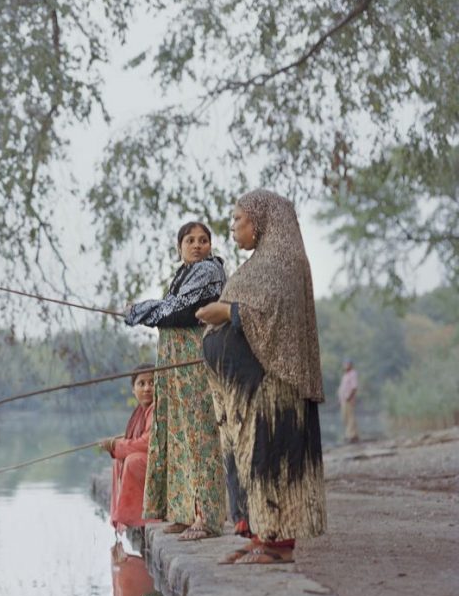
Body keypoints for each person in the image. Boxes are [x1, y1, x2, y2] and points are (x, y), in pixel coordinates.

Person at [197, 189, 327, 565]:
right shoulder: (259, 263)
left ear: (261, 220)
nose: (233, 225)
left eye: (238, 218)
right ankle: (261, 534)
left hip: (273, 383)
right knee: (252, 459)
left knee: (273, 458)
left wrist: (227, 311)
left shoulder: (284, 261)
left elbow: (274, 314)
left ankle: (278, 544)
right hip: (247, 388)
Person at [124, 222, 227, 541]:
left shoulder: (211, 271)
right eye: (190, 240)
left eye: (204, 240)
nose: (198, 245)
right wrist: (145, 311)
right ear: (180, 246)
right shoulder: (182, 275)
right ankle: (182, 512)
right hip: (173, 369)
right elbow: (171, 307)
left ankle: (207, 517)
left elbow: (182, 311)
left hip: (194, 365)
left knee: (200, 435)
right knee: (176, 434)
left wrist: (144, 310)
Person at [99, 364, 155, 538]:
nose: (147, 388)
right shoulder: (140, 412)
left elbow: (148, 443)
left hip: (166, 468)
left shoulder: (157, 409)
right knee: (118, 461)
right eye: (141, 383)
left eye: (152, 382)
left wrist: (117, 446)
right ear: (133, 389)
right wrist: (116, 445)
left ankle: (148, 515)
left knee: (132, 460)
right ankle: (130, 516)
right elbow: (136, 440)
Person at [339, 359, 360, 443]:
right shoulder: (345, 375)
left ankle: (351, 436)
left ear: (350, 365)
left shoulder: (353, 374)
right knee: (345, 417)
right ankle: (352, 434)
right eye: (344, 364)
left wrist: (349, 397)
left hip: (349, 399)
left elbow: (354, 387)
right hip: (343, 400)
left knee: (350, 417)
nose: (345, 366)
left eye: (346, 364)